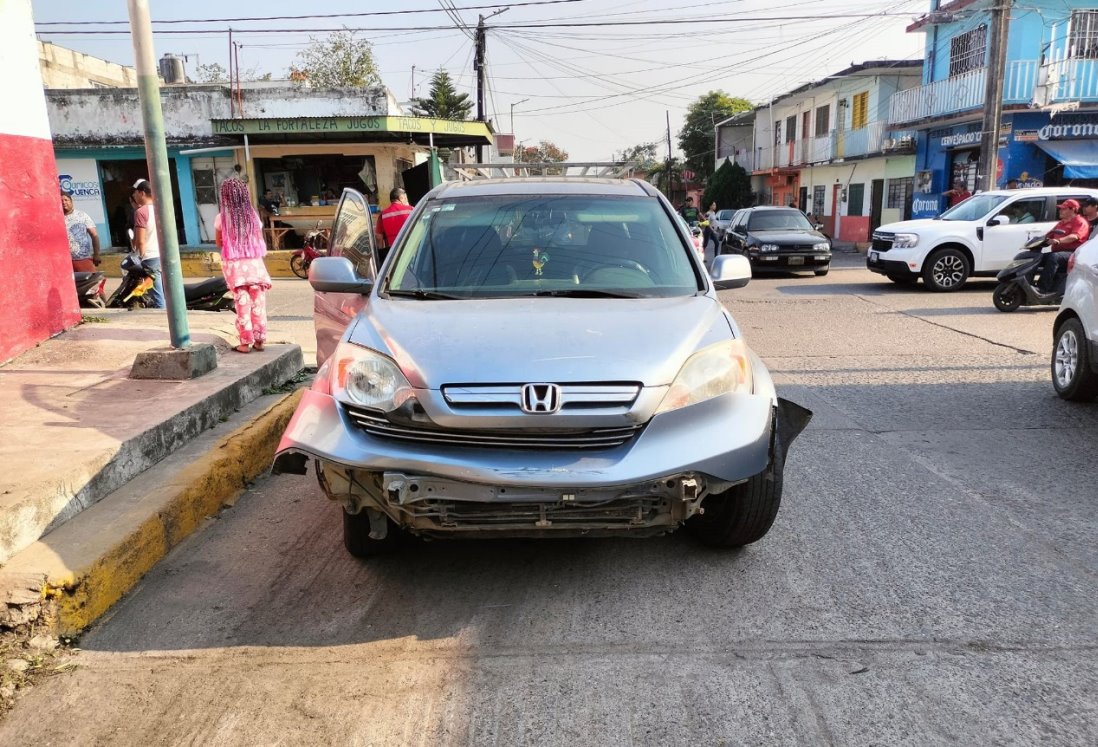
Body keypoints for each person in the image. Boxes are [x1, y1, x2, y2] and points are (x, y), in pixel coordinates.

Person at [215, 178, 273, 353]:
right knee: (258, 305)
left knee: (242, 306)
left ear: (225, 197)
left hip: (236, 269)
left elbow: (219, 243)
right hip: (255, 267)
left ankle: (244, 343)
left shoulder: (221, 218)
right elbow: (259, 240)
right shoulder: (253, 216)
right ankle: (260, 340)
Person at [1037, 199, 1090, 294]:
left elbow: (1074, 236)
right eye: (1060, 209)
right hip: (1059, 252)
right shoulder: (1061, 222)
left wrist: (1058, 241)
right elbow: (1049, 235)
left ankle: (1043, 288)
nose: (1060, 211)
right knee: (1036, 257)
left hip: (1073, 253)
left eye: (1063, 209)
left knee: (1054, 257)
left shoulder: (1080, 222)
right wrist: (1038, 241)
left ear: (1073, 209)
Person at [130, 179, 164, 308]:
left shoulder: (141, 212)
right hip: (163, 255)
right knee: (164, 291)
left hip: (150, 257)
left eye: (135, 193)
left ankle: (162, 320)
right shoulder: (160, 208)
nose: (134, 196)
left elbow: (141, 240)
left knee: (156, 295)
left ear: (142, 193)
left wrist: (140, 256)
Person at [62, 190, 100, 272]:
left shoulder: (82, 215)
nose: (64, 202)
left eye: (66, 200)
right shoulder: (56, 218)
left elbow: (94, 235)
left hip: (83, 259)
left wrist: (96, 254)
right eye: (61, 201)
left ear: (71, 201)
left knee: (90, 283)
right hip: (64, 261)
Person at [376, 187, 413, 263]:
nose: (406, 200)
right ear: (401, 198)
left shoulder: (383, 215)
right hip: (411, 251)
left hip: (393, 254)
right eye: (405, 198)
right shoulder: (412, 210)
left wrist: (381, 255)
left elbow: (379, 237)